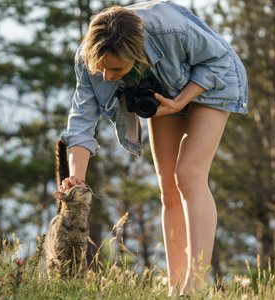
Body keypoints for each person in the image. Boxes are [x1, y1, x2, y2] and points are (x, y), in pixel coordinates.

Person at [58, 0, 248, 296]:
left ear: (135, 53)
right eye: (102, 69)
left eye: (115, 69)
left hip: (212, 82)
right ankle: (175, 287)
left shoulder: (172, 29)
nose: (106, 76)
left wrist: (182, 100)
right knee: (168, 188)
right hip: (164, 92)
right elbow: (81, 121)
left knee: (188, 174)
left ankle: (194, 287)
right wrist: (77, 180)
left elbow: (220, 60)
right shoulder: (90, 57)